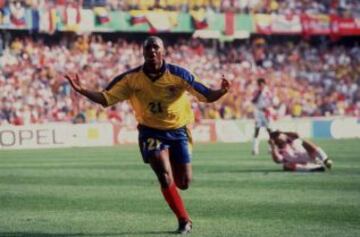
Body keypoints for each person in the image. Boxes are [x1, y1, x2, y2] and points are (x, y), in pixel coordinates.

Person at [65, 36, 230, 234]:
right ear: (142, 53)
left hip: (179, 131)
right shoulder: (130, 79)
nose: (152, 51)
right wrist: (82, 90)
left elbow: (206, 94)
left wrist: (221, 91)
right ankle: (184, 220)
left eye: (156, 48)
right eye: (148, 48)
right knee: (163, 173)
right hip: (150, 131)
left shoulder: (179, 74)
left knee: (183, 182)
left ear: (163, 51)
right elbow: (105, 98)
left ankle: (180, 202)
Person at [268, 130, 333, 172]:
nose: (283, 136)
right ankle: (312, 169)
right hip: (299, 163)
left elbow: (296, 134)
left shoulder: (290, 139)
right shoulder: (277, 149)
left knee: (305, 142)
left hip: (309, 156)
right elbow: (277, 160)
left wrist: (282, 132)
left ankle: (325, 159)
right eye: (279, 136)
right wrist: (273, 146)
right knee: (286, 167)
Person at [251, 78, 273, 155]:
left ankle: (271, 148)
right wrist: (259, 93)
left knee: (269, 131)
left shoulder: (268, 92)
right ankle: (255, 149)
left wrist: (269, 108)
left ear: (264, 84)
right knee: (257, 130)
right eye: (259, 85)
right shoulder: (256, 92)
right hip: (258, 112)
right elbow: (253, 101)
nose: (260, 86)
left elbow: (271, 101)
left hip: (266, 112)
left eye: (261, 84)